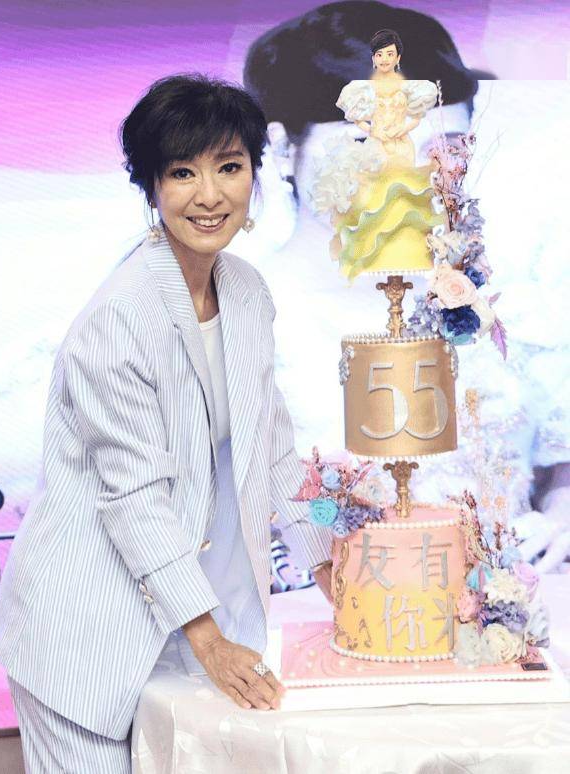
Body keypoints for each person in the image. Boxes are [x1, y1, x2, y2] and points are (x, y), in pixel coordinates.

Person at [0, 74, 333, 773]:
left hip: (191, 621)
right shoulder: (120, 319)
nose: (209, 195)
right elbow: (134, 498)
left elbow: (275, 452)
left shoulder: (246, 291)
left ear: (255, 175)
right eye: (182, 173)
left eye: (228, 167)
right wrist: (210, 642)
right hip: (89, 631)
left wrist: (332, 570)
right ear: (151, 188)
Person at [242, 1, 570, 571]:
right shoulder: (239, 317)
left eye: (441, 150)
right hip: (319, 609)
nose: (414, 181)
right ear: (283, 145)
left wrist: (560, 516)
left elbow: (553, 463)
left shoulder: (503, 301)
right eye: (374, 145)